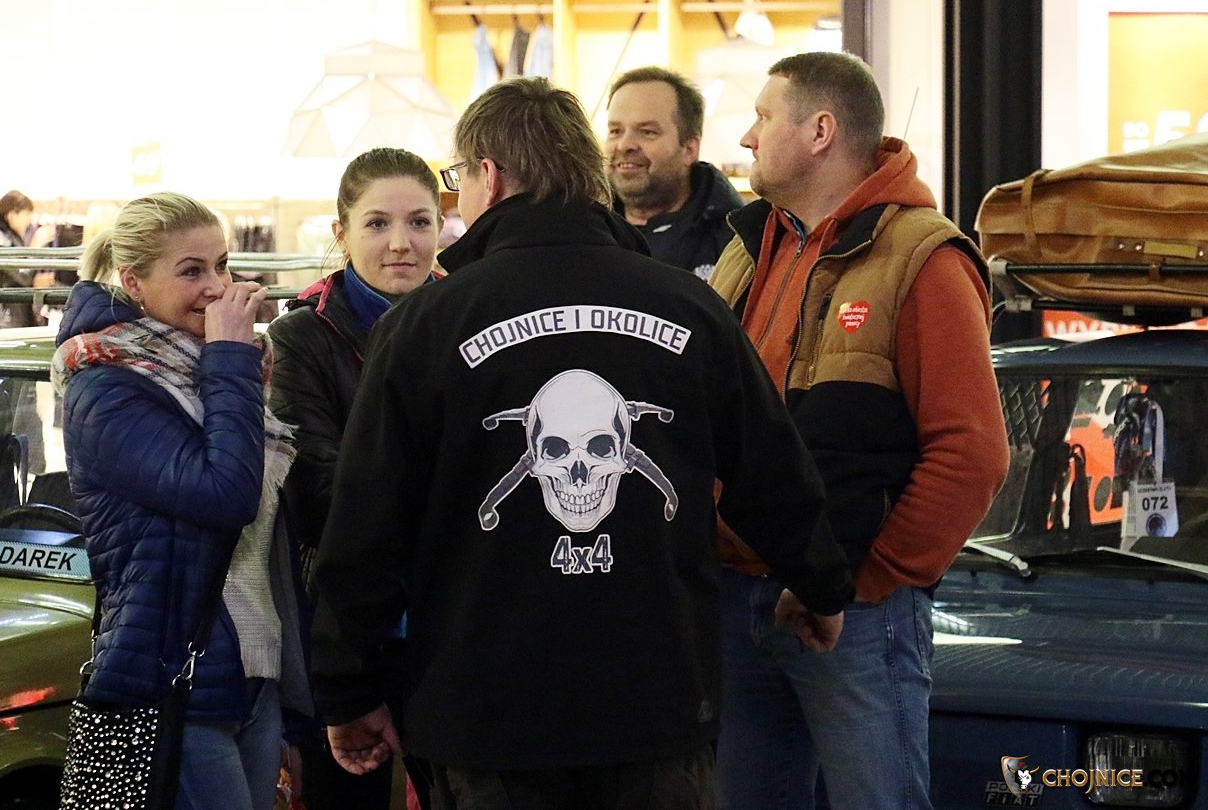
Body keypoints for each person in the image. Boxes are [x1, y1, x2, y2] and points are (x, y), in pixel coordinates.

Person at [307, 76, 854, 810]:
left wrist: (349, 687)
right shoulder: (688, 307)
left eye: (459, 179)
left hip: (486, 715)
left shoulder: (426, 325)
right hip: (655, 708)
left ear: (489, 176)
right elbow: (772, 471)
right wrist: (820, 583)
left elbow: (367, 523)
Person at [706, 51, 1010, 809]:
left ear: (820, 131)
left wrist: (859, 582)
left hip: (860, 615)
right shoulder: (747, 249)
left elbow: (972, 455)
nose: (746, 137)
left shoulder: (923, 259)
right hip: (734, 597)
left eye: (762, 116)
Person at [52, 192, 310, 810]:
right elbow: (227, 495)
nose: (215, 287)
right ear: (133, 283)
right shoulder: (105, 386)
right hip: (172, 680)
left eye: (221, 265)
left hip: (251, 670)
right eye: (191, 271)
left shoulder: (206, 371)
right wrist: (230, 356)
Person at [268, 147, 440, 810]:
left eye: (419, 222)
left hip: (454, 628)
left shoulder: (472, 321)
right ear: (340, 233)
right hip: (348, 632)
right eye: (377, 223)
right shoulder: (301, 338)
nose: (401, 243)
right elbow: (319, 491)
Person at [605, 65, 743, 279]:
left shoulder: (737, 241)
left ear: (689, 149)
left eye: (647, 132)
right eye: (615, 131)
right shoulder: (582, 228)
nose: (624, 145)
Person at [0, 189, 55, 328]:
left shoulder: (5, 236)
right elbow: (22, 274)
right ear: (11, 215)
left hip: (11, 312)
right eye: (26, 214)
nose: (29, 221)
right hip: (6, 316)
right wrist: (36, 245)